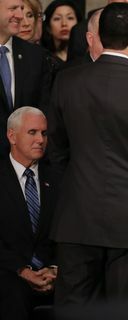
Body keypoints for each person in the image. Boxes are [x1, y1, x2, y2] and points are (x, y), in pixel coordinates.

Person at [48, 2, 128, 305]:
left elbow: (56, 149)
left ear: (96, 35)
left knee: (73, 308)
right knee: (123, 310)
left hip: (77, 214)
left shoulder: (67, 82)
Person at [0, 107, 59, 320]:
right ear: (12, 136)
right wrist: (23, 271)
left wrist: (54, 268)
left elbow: (67, 231)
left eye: (44, 133)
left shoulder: (57, 178)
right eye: (32, 132)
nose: (40, 139)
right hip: (8, 272)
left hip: (50, 274)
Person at [0, 0, 52, 159]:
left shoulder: (35, 56)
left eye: (22, 9)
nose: (20, 16)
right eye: (13, 9)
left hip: (23, 162)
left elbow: (43, 108)